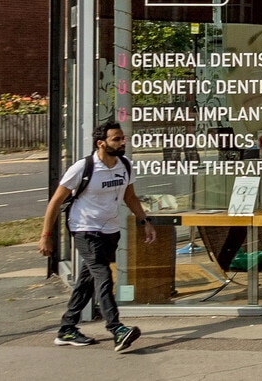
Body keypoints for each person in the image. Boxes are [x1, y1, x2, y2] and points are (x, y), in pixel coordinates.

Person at [39, 117, 155, 351]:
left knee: (87, 280)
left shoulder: (125, 165)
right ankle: (116, 328)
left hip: (111, 231)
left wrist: (145, 221)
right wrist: (46, 235)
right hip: (85, 229)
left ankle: (67, 328)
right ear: (101, 143)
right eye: (117, 139)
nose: (123, 142)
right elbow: (55, 202)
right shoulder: (83, 168)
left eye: (123, 138)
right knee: (103, 275)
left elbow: (129, 197)